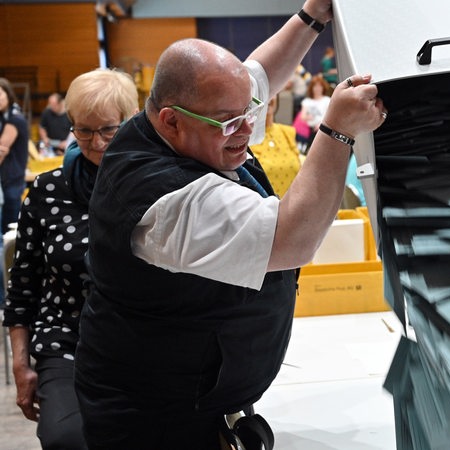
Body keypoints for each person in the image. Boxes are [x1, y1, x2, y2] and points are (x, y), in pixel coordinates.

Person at [72, 1, 386, 448]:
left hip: (199, 391)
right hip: (155, 415)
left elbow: (258, 74)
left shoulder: (195, 123)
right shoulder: (161, 199)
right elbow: (292, 239)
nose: (247, 129)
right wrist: (337, 131)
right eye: (229, 122)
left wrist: (312, 16)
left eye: (250, 112)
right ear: (172, 120)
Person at [3, 68, 138, 450]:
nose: (96, 143)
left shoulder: (155, 184)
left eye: (109, 130)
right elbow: (23, 285)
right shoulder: (48, 190)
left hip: (144, 341)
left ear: (132, 122)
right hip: (66, 340)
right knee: (67, 439)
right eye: (84, 130)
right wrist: (20, 362)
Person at [249, 95, 302, 198]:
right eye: (262, 92)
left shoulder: (288, 133)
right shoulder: (245, 138)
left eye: (272, 92)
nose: (268, 98)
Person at [0, 77, 30, 233]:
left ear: (8, 94)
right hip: (7, 178)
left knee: (10, 228)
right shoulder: (4, 116)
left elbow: (1, 150)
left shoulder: (14, 118)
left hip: (11, 179)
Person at [300, 73, 331, 147]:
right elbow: (303, 116)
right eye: (315, 86)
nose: (317, 88)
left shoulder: (327, 100)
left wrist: (321, 124)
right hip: (310, 129)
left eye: (319, 86)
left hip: (323, 129)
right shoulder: (307, 101)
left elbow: (329, 115)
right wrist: (308, 117)